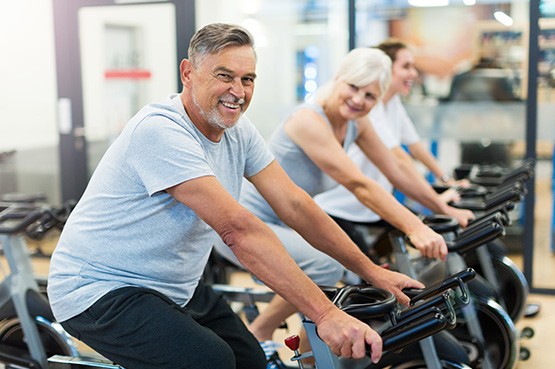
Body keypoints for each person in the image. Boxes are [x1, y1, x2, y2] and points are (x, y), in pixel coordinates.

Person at [47, 23, 425, 369]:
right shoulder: (160, 130)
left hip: (172, 285)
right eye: (224, 76)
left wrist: (372, 271)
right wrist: (325, 314)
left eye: (248, 79)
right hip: (100, 289)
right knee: (212, 361)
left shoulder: (237, 131)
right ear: (188, 73)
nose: (239, 91)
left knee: (250, 361)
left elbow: (293, 203)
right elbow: (238, 230)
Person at [213, 45, 474, 354]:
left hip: (286, 222)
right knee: (324, 267)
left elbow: (395, 170)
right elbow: (359, 184)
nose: (358, 100)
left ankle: (310, 358)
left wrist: (444, 209)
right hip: (247, 221)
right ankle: (261, 330)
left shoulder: (355, 122)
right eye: (353, 87)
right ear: (337, 78)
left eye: (370, 96)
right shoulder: (307, 121)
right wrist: (415, 228)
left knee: (342, 278)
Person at [314, 39, 471, 254]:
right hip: (341, 206)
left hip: (372, 204)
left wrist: (445, 182)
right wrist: (438, 203)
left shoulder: (390, 104)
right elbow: (398, 162)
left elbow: (414, 149)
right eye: (406, 66)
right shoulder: (368, 110)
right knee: (363, 274)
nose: (413, 74)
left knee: (409, 243)